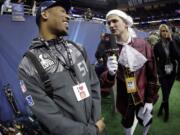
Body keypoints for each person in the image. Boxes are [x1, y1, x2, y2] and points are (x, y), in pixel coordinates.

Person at [18, 0, 105, 134]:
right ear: (45, 14)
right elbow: (51, 118)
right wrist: (90, 132)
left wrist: (95, 120)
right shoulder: (28, 65)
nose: (68, 16)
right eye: (63, 11)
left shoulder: (78, 49)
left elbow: (94, 85)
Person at [99, 9, 159, 135]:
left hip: (143, 95)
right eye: (108, 22)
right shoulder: (109, 49)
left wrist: (149, 99)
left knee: (146, 119)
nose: (110, 25)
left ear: (126, 23)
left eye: (114, 21)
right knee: (127, 122)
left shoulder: (143, 45)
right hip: (125, 99)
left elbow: (152, 74)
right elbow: (105, 85)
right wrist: (109, 73)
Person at [154, 24, 179, 122]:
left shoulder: (172, 42)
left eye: (166, 31)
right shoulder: (157, 45)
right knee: (165, 93)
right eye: (162, 31)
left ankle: (161, 109)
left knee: (166, 94)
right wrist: (159, 72)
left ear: (168, 32)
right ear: (160, 32)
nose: (164, 33)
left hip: (172, 72)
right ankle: (166, 114)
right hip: (163, 74)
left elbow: (178, 56)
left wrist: (172, 41)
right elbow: (155, 60)